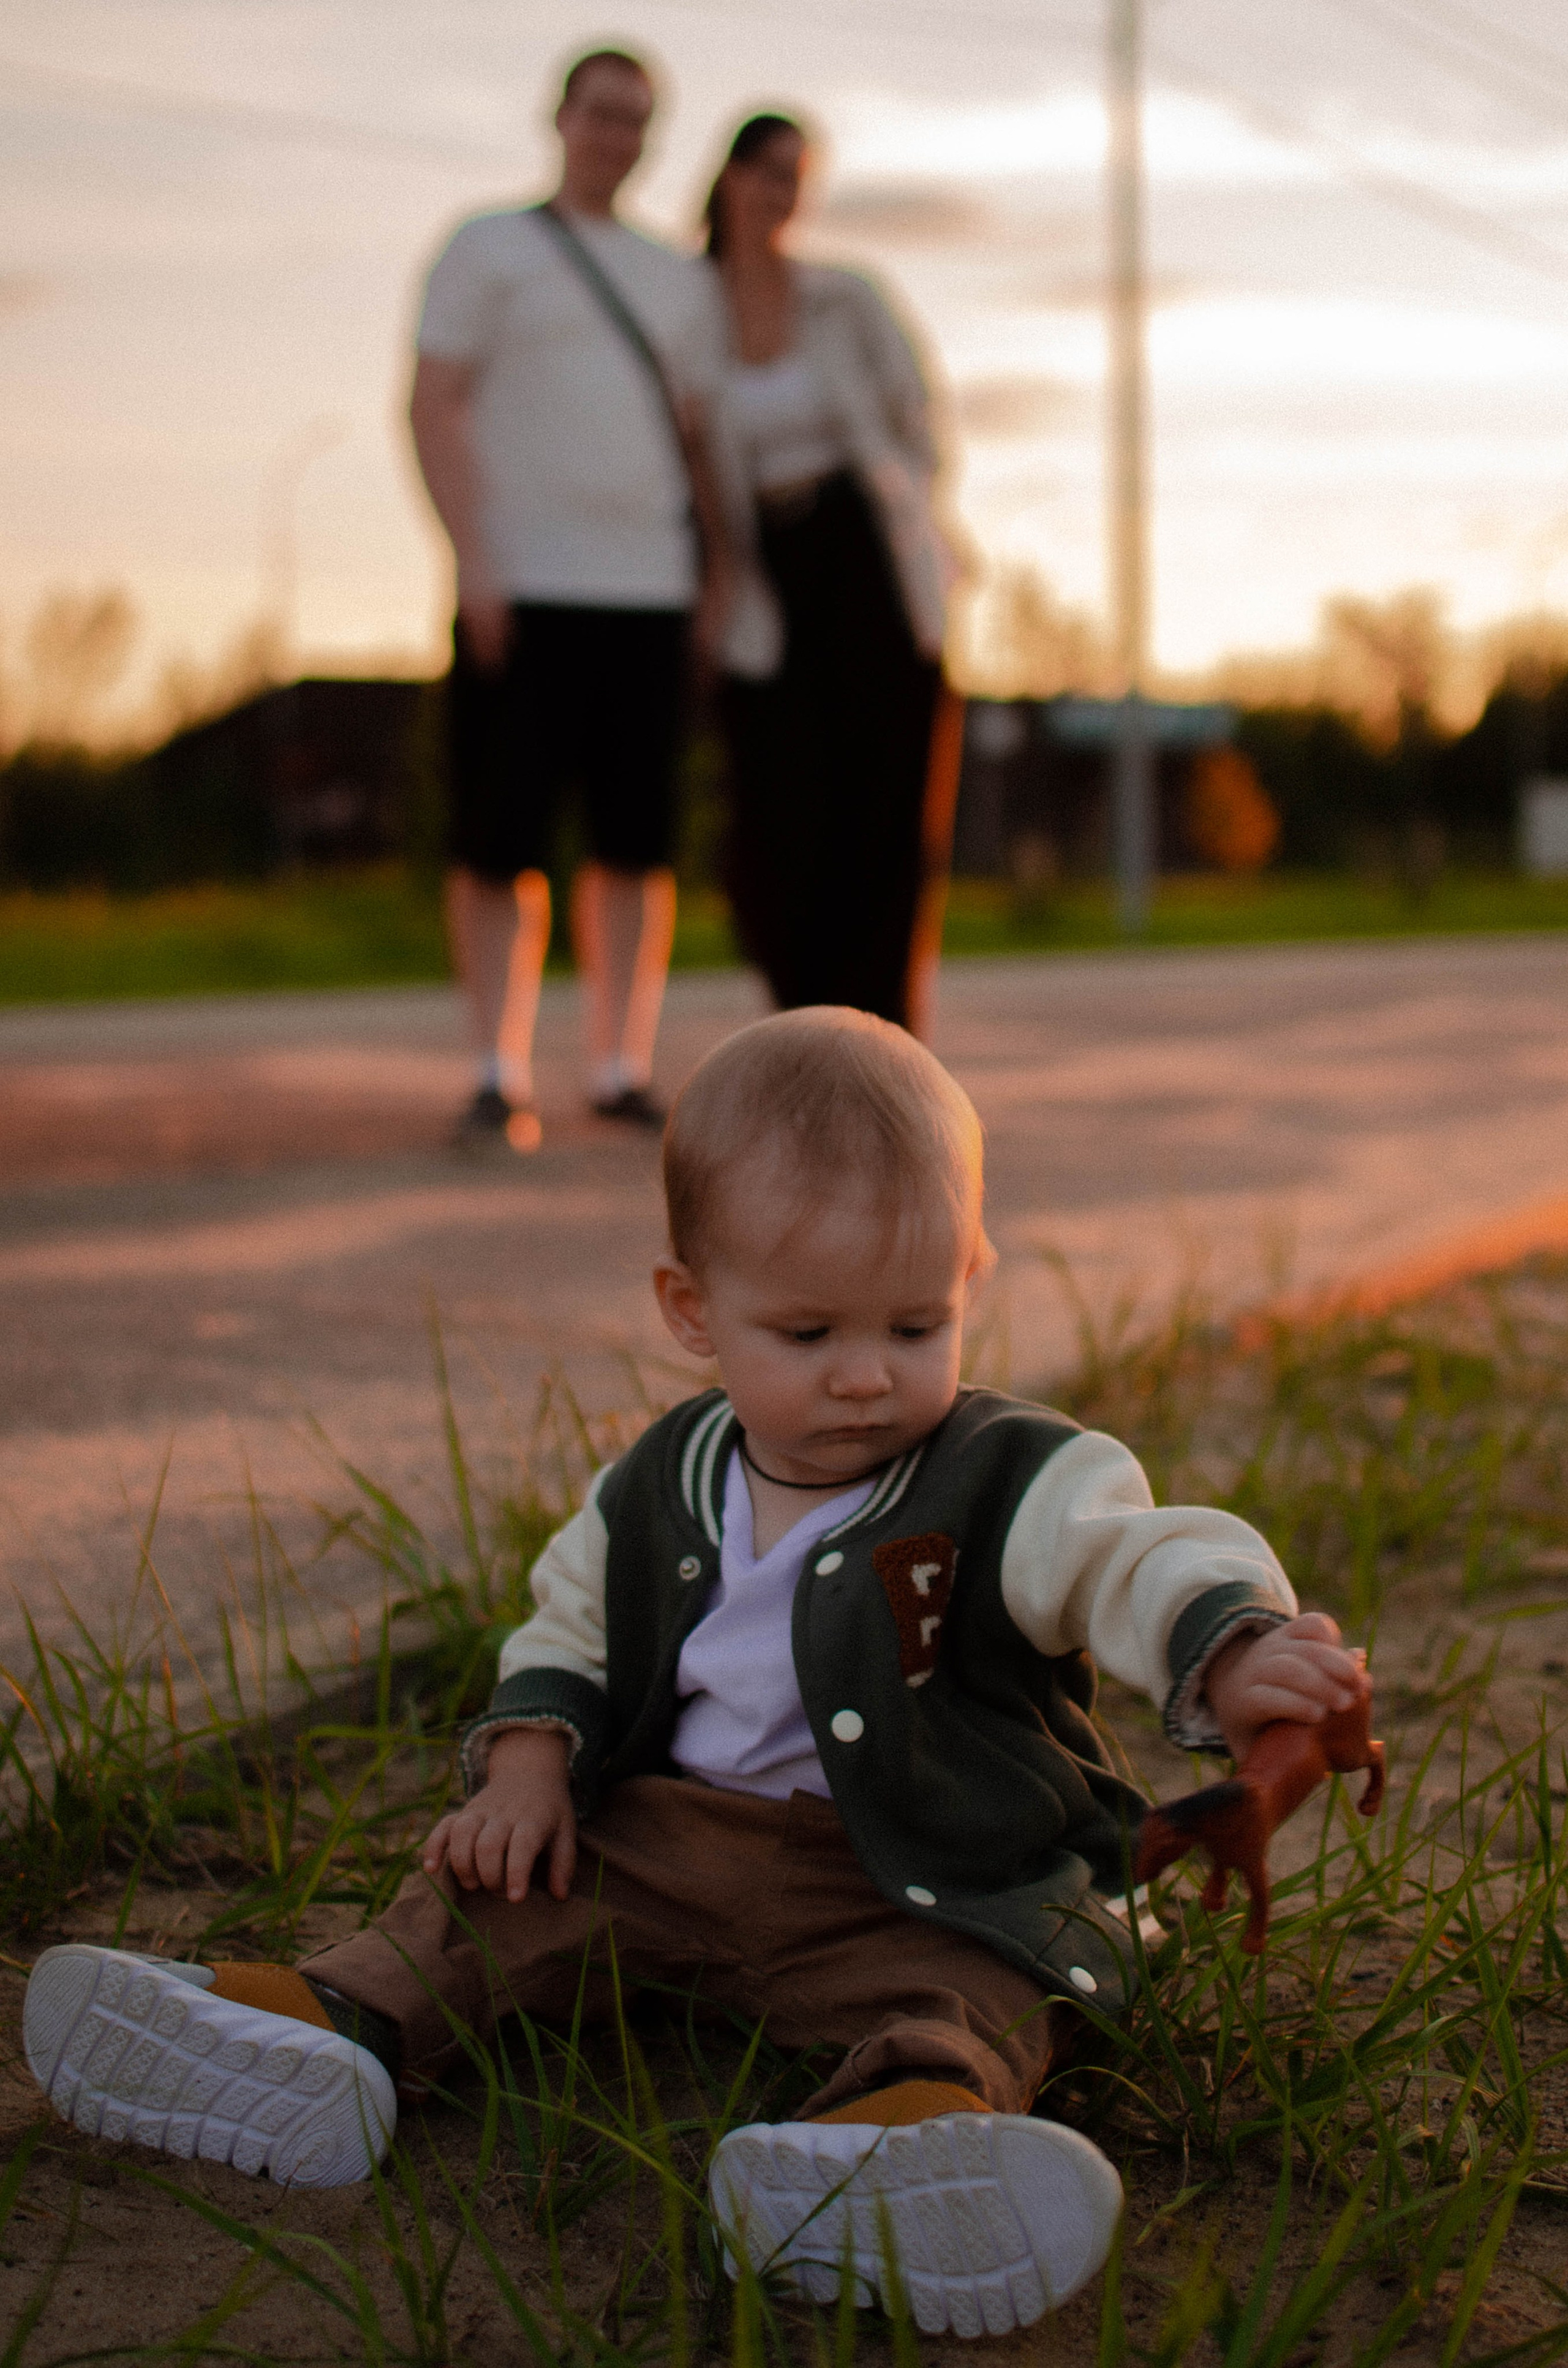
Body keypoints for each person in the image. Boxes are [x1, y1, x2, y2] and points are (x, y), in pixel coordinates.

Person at [23, 1007, 1373, 2337]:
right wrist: (531, 1761)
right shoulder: (656, 1484)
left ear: (970, 1271)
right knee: (492, 1898)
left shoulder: (1007, 1474)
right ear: (692, 1310)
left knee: (977, 1993)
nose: (865, 1377)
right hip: (667, 1844)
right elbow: (567, 1633)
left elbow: (1128, 1554)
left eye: (914, 1325)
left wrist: (1235, 1643)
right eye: (807, 1335)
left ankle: (893, 2141)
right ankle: (330, 2027)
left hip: (913, 1871)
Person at [410, 48, 721, 1151]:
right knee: (502, 842)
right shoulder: (487, 248)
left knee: (638, 843)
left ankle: (619, 1066)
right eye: (601, 114)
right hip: (526, 586)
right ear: (559, 118)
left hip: (649, 591)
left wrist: (715, 582)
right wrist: (476, 560)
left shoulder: (680, 279)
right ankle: (499, 1070)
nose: (617, 136)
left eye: (638, 120)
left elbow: (701, 440)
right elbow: (434, 405)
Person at [697, 117, 964, 1038]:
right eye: (768, 171)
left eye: (798, 178)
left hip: (868, 561)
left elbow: (920, 423)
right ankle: (805, 1033)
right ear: (727, 175)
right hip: (760, 575)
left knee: (886, 815)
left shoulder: (848, 300)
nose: (782, 192)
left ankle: (889, 1040)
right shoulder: (685, 311)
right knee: (778, 822)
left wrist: (922, 527)